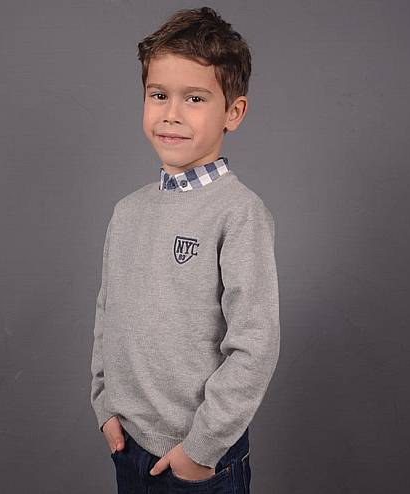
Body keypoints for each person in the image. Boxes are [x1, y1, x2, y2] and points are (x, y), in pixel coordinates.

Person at [90, 6, 280, 493]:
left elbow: (255, 345)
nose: (171, 113)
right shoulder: (127, 212)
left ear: (233, 112)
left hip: (198, 460)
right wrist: (104, 402)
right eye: (159, 95)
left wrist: (200, 450)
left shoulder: (239, 213)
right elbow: (108, 313)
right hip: (128, 446)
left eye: (194, 98)